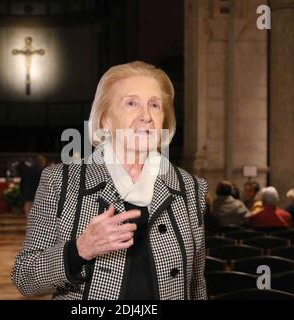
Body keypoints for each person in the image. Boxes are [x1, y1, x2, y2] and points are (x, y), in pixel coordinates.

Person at [12, 61, 208, 300]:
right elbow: (25, 278)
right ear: (105, 120)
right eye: (131, 103)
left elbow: (197, 286)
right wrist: (81, 249)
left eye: (155, 105)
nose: (146, 116)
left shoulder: (189, 187)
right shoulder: (60, 182)